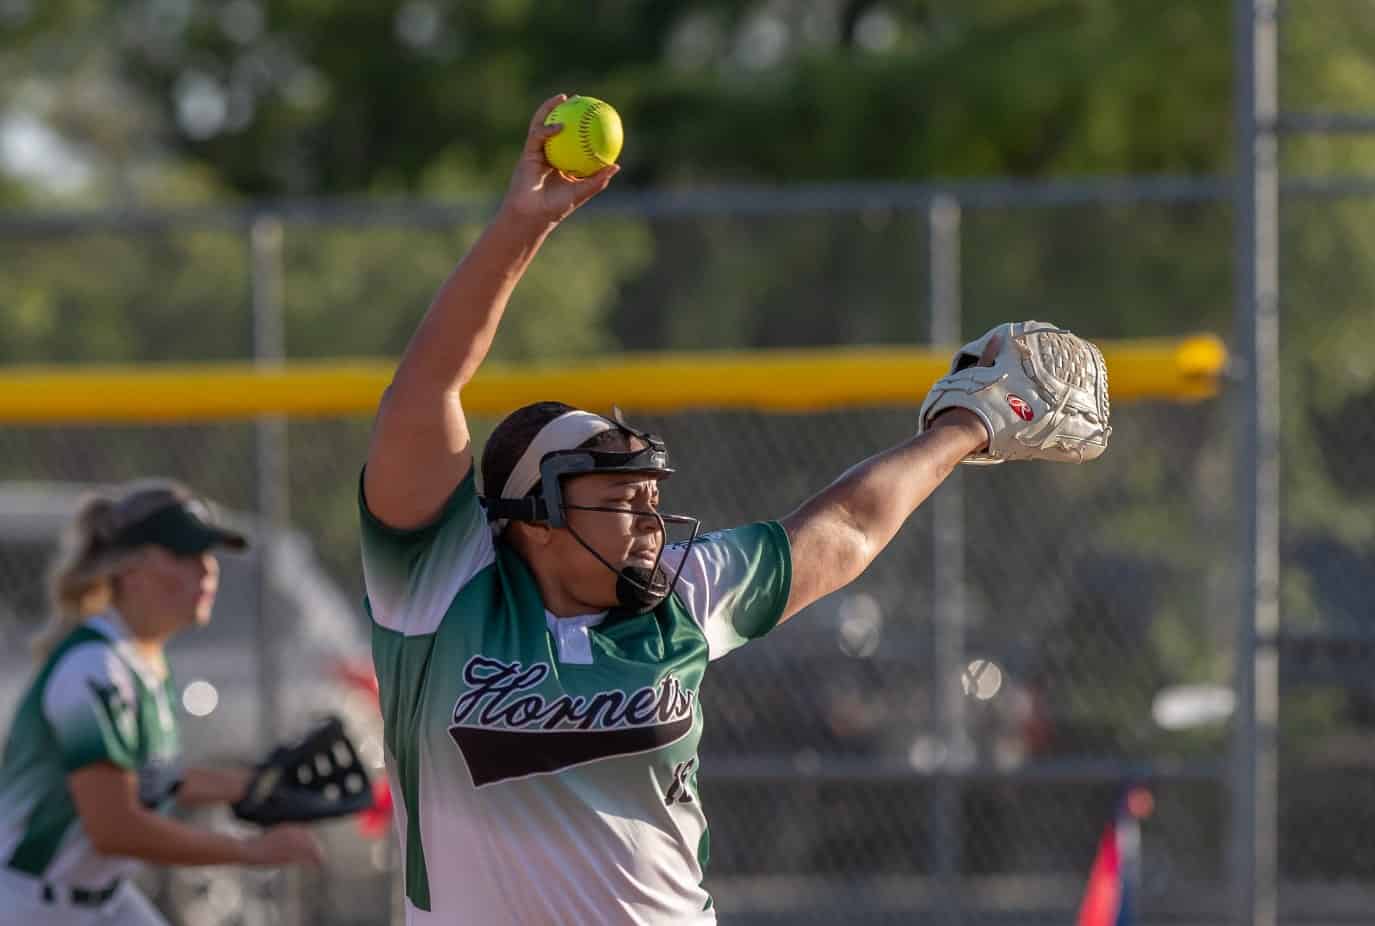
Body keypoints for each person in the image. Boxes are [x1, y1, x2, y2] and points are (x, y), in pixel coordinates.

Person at [360, 95, 1109, 924]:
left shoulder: (676, 595)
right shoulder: (438, 588)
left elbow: (846, 527)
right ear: (531, 515)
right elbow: (426, 388)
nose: (650, 519)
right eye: (620, 499)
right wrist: (521, 224)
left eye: (652, 497)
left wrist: (970, 424)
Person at [0, 480, 325, 925]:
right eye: (185, 556)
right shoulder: (95, 666)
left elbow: (152, 780)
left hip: (98, 898)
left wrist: (253, 784)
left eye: (208, 555)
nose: (207, 570)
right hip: (29, 905)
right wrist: (250, 851)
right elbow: (114, 826)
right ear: (130, 570)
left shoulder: (139, 658)